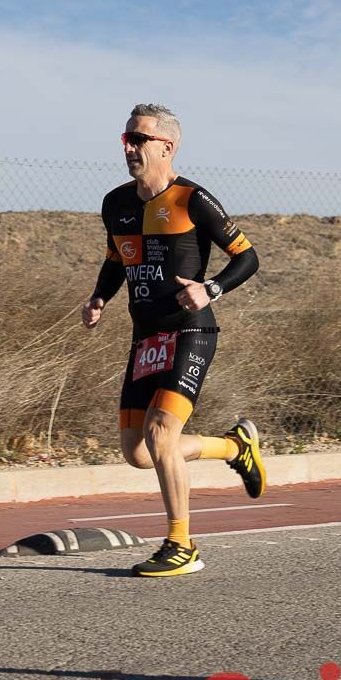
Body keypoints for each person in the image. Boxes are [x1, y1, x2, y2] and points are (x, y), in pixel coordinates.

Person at [82, 103, 264, 577]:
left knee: (162, 434)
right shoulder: (115, 204)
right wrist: (100, 297)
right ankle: (234, 447)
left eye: (138, 139)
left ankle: (182, 544)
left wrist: (212, 288)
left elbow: (248, 258)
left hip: (190, 330)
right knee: (139, 452)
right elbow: (116, 260)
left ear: (167, 146)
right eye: (126, 138)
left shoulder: (192, 200)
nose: (129, 147)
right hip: (145, 337)